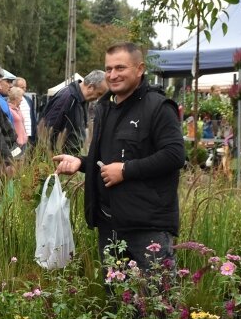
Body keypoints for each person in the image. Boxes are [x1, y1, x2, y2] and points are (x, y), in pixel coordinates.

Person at [54, 42, 185, 270]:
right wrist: (82, 163)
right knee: (117, 301)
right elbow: (107, 160)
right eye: (109, 69)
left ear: (139, 68)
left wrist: (125, 171)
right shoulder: (106, 108)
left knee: (154, 301)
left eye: (120, 68)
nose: (113, 75)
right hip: (109, 224)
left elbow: (174, 155)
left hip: (147, 227)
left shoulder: (159, 107)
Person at [39, 69, 107, 155]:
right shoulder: (67, 98)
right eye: (99, 94)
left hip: (70, 157)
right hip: (59, 157)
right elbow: (49, 128)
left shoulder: (82, 100)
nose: (98, 99)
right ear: (90, 87)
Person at [13, 77, 36, 144]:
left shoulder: (28, 100)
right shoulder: (10, 100)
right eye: (22, 87)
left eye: (25, 87)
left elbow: (32, 118)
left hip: (29, 136)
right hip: (18, 137)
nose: (24, 90)